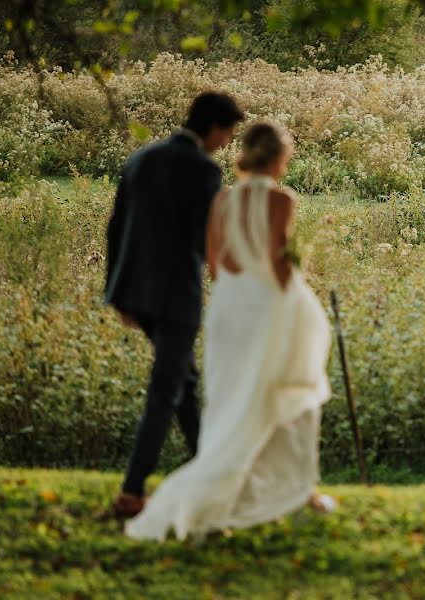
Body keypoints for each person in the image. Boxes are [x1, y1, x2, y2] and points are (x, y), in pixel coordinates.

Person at [125, 121, 335, 541]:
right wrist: (301, 264)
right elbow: (278, 269)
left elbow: (217, 264)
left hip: (228, 310)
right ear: (278, 157)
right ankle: (295, 487)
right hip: (266, 310)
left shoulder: (221, 199)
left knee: (231, 403)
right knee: (278, 396)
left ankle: (232, 487)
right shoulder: (281, 199)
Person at [105, 92, 244, 517]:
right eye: (228, 133)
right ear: (215, 128)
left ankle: (208, 466)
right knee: (166, 390)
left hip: (135, 292)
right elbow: (204, 239)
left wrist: (118, 293)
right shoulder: (204, 169)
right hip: (175, 296)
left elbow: (116, 228)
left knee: (182, 382)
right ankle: (131, 491)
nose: (227, 142)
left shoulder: (141, 159)